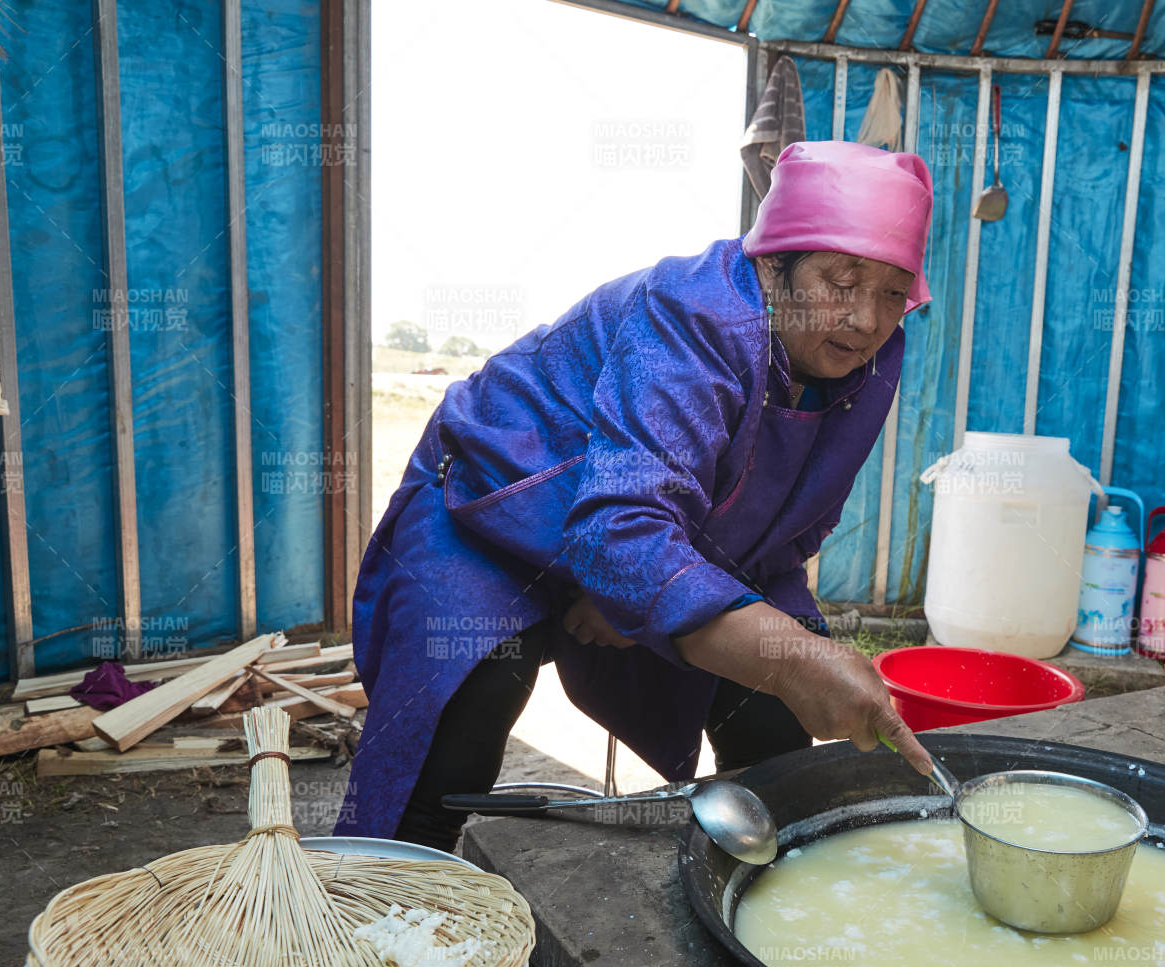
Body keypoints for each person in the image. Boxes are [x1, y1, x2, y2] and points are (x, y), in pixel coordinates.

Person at [334, 141, 937, 851]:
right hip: (491, 510)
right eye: (841, 280)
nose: (867, 319)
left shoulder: (870, 359)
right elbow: (620, 535)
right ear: (775, 262)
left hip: (636, 530)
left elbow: (793, 523)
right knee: (463, 719)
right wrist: (653, 588)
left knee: (776, 731)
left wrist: (654, 595)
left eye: (894, 293)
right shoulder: (696, 316)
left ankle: (757, 892)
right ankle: (389, 913)